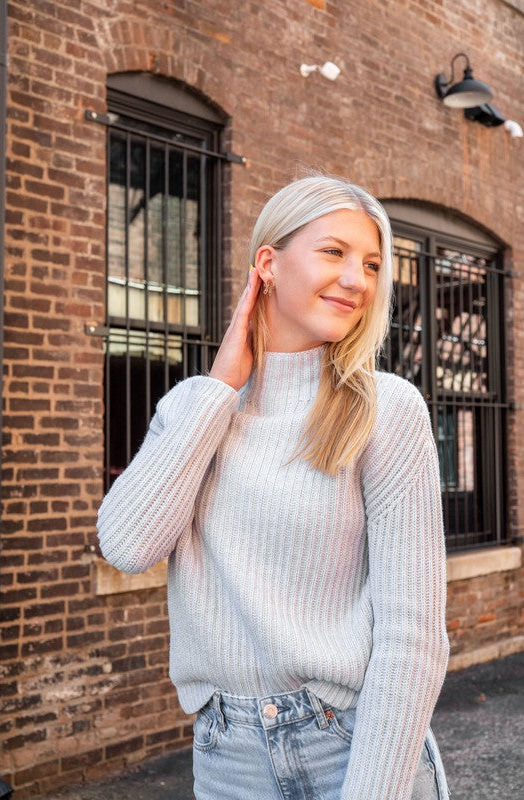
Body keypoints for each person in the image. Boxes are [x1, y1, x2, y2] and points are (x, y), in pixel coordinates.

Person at [97, 173, 451, 800]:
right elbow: (127, 544)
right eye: (334, 252)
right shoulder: (195, 410)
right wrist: (222, 384)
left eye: (371, 264)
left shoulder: (386, 410)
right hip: (225, 754)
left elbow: (413, 635)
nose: (357, 280)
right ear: (269, 262)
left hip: (351, 742)